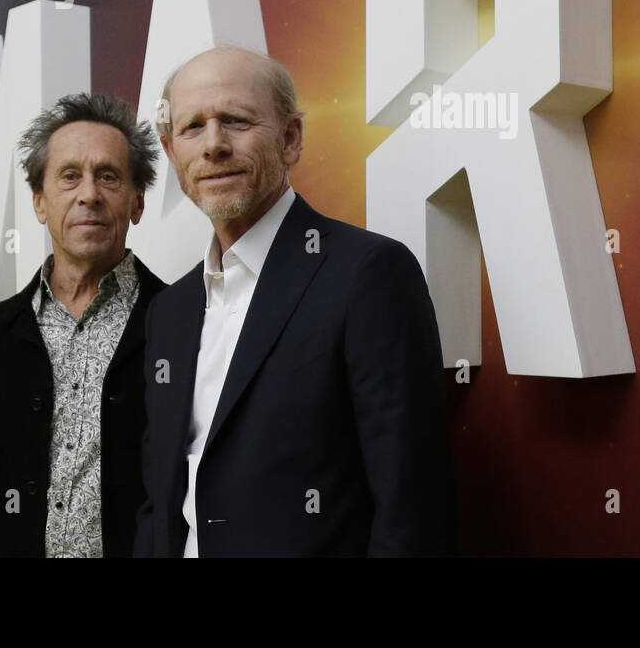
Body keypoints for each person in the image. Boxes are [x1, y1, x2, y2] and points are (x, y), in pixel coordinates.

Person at [135, 47, 455, 556]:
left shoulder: (368, 275)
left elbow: (410, 506)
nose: (213, 145)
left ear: (290, 139)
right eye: (192, 127)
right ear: (172, 153)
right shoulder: (168, 312)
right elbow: (161, 501)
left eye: (235, 121)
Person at [0, 93, 166, 557]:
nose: (89, 194)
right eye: (69, 176)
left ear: (137, 202)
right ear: (39, 202)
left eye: (109, 176)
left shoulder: (184, 324)